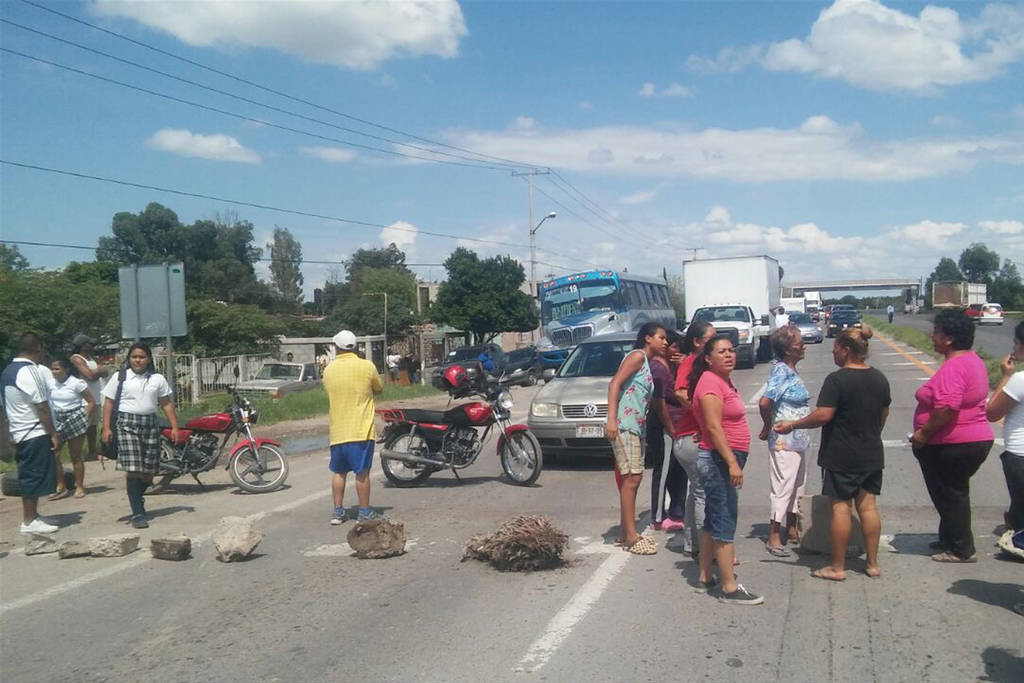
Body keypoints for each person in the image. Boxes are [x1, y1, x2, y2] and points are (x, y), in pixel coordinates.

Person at [776, 327, 890, 580]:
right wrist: (871, 433)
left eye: (836, 348)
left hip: (842, 455)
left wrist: (793, 424)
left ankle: (837, 567)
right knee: (868, 507)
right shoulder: (879, 378)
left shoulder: (837, 380)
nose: (833, 353)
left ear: (846, 350)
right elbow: (884, 413)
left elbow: (824, 415)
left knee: (841, 509)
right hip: (871, 452)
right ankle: (872, 564)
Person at [911, 309, 994, 563]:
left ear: (949, 338)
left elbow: (947, 407)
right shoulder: (972, 360)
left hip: (953, 443)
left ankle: (961, 549)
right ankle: (949, 537)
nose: (932, 336)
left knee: (950, 495)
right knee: (952, 492)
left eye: (936, 332)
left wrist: (923, 433)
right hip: (972, 439)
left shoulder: (954, 367)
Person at [689, 334, 762, 604]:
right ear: (708, 358)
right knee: (724, 518)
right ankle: (729, 587)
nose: (729, 355)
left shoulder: (721, 380)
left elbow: (709, 422)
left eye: (731, 350)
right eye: (722, 351)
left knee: (712, 518)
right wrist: (731, 462)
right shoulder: (710, 382)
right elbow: (713, 426)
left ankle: (705, 576)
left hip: (721, 457)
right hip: (719, 460)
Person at [101, 343, 179, 529]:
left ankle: (137, 496)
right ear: (129, 359)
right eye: (134, 357)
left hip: (150, 424)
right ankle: (137, 513)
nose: (138, 360)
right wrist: (106, 428)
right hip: (127, 424)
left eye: (142, 357)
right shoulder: (120, 377)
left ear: (149, 359)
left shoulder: (157, 379)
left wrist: (175, 427)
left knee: (149, 471)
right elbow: (108, 403)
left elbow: (166, 404)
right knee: (134, 468)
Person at [606, 322, 667, 555]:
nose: (665, 342)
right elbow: (615, 383)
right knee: (631, 478)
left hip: (636, 427)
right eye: (661, 337)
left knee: (633, 478)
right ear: (648, 338)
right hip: (625, 424)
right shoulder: (637, 356)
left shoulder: (648, 363)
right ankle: (631, 536)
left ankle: (625, 532)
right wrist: (612, 418)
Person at [2, 333, 62, 534]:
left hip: (19, 429)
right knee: (32, 476)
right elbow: (42, 406)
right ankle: (29, 521)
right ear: (39, 348)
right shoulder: (30, 370)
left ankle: (34, 516)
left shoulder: (8, 370)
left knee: (30, 474)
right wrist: (53, 433)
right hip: (33, 431)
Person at [758, 326, 810, 556]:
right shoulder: (781, 371)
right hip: (784, 439)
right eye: (799, 343)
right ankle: (774, 535)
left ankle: (791, 527)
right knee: (783, 487)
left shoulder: (791, 370)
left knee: (797, 485)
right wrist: (767, 425)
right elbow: (765, 402)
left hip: (798, 439)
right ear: (788, 350)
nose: (803, 346)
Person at [324, 330, 384, 525]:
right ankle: (364, 512)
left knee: (339, 472)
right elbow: (378, 388)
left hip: (338, 431)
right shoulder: (367, 366)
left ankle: (338, 512)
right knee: (362, 473)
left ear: (336, 347)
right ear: (355, 347)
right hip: (361, 430)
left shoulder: (329, 370)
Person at [672, 320, 716, 555]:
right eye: (711, 339)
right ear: (697, 342)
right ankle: (708, 549)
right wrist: (703, 417)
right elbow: (680, 392)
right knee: (703, 493)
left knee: (696, 491)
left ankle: (693, 544)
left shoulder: (706, 365)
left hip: (692, 437)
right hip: (692, 437)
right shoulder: (691, 362)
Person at [986, 321, 1024, 532]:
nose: (1014, 348)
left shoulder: (1019, 380)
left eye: (1016, 343)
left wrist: (1006, 376)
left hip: (1020, 455)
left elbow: (992, 412)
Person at [648, 329, 687, 532]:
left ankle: (677, 512)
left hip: (680, 426)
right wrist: (670, 427)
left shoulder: (673, 367)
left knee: (679, 471)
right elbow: (659, 403)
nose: (677, 350)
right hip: (664, 427)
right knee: (664, 471)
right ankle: (658, 516)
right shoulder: (658, 368)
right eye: (674, 346)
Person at [48, 359, 96, 499]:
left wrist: (83, 417)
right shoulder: (50, 384)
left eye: (57, 369)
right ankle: (60, 485)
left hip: (74, 417)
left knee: (75, 455)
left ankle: (79, 486)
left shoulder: (76, 383)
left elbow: (91, 402)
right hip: (57, 419)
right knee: (54, 454)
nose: (54, 372)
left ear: (66, 370)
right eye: (52, 369)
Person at [69, 334, 110, 463]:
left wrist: (98, 371)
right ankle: (77, 455)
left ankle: (92, 453)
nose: (92, 346)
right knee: (82, 427)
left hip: (96, 397)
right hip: (84, 400)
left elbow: (105, 372)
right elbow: (89, 376)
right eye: (89, 344)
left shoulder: (90, 358)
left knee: (93, 427)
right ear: (82, 345)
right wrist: (99, 371)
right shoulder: (77, 358)